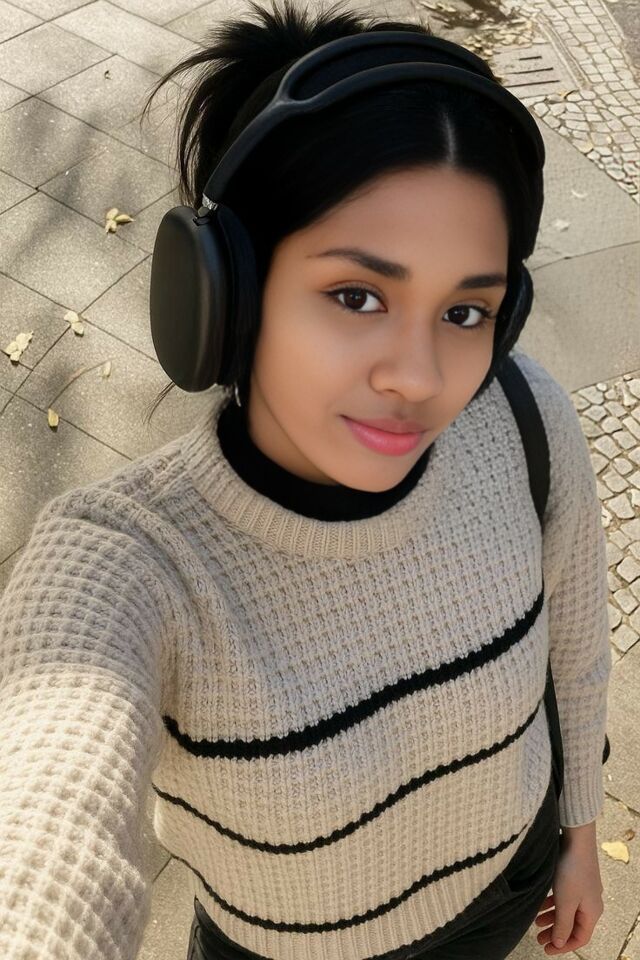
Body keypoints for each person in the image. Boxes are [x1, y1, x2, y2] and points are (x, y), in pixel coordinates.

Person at [0, 1, 611, 959]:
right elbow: (47, 813)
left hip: (508, 893)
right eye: (356, 296)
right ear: (227, 297)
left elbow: (574, 643)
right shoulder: (134, 563)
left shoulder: (521, 414)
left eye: (466, 312)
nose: (418, 378)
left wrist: (579, 835)